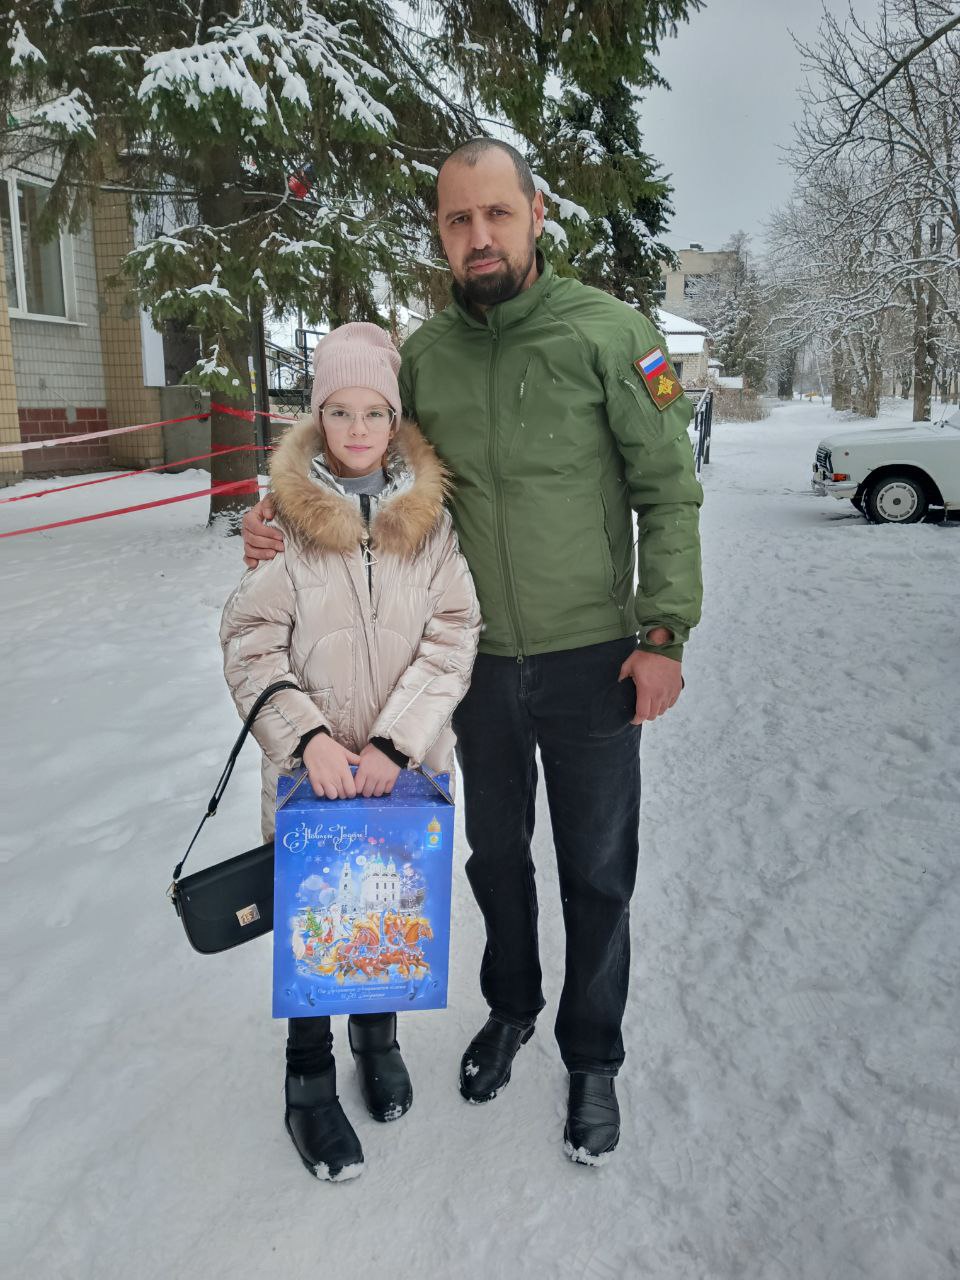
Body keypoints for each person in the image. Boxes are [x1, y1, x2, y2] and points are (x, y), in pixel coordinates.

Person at [242, 139, 703, 1166]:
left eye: (496, 213)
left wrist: (664, 630)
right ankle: (512, 1007)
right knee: (494, 856)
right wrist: (271, 518)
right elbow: (357, 459)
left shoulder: (615, 335)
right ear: (441, 235)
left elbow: (667, 488)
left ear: (536, 213)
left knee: (596, 868)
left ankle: (592, 1054)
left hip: (594, 660)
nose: (479, 236)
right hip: (475, 669)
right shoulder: (425, 358)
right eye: (457, 220)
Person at [221, 322, 480, 1181]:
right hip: (315, 779)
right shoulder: (284, 527)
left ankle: (378, 1037)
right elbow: (251, 640)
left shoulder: (430, 525)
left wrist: (399, 743)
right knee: (316, 924)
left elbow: (453, 633)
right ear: (318, 414)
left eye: (375, 411)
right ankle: (307, 1078)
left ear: (395, 417)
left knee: (384, 917)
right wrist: (309, 739)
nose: (359, 429)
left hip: (400, 776)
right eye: (340, 410)